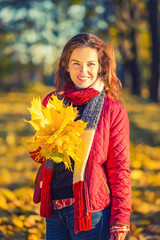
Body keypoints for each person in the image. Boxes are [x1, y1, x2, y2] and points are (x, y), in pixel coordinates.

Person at [30, 33, 132, 240]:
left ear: (101, 67)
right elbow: (39, 155)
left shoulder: (112, 110)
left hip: (91, 212)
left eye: (90, 64)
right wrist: (45, 143)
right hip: (55, 208)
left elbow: (119, 167)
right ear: (66, 66)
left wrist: (121, 218)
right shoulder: (52, 102)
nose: (83, 71)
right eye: (76, 63)